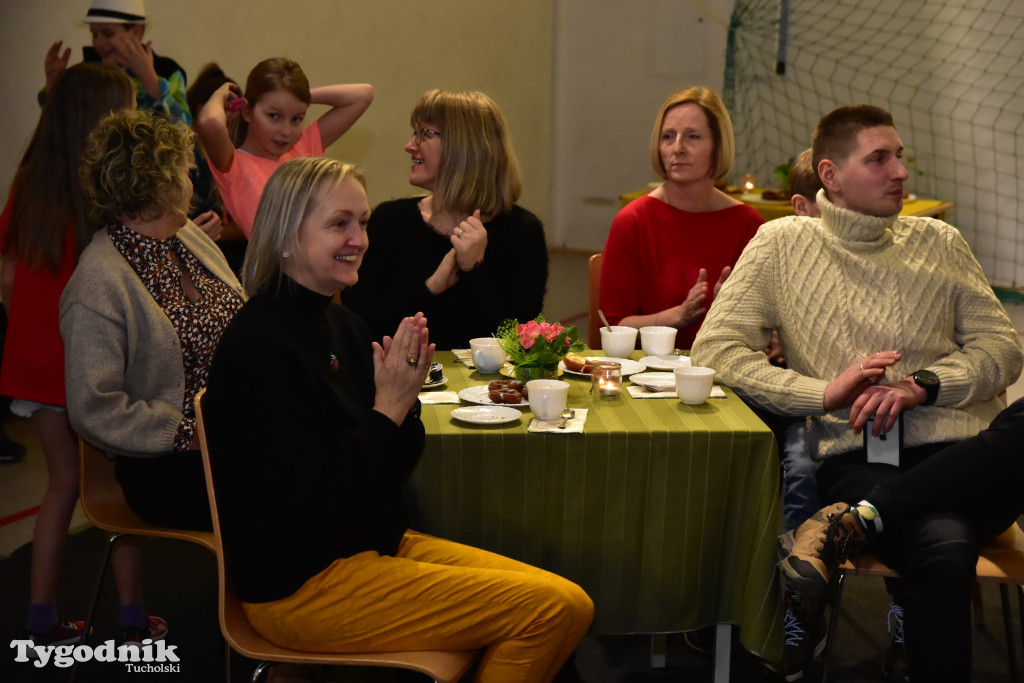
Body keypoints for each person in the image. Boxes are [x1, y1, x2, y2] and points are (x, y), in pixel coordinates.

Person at [204, 157, 593, 682]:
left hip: (368, 546)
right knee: (549, 612)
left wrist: (402, 404)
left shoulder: (339, 323)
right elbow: (312, 507)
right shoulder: (260, 345)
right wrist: (386, 411)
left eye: (361, 222)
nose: (359, 238)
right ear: (286, 236)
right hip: (301, 584)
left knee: (568, 603)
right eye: (338, 223)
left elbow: (390, 468)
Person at [691, 104, 1023, 682]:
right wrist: (822, 393)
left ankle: (853, 523)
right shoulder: (782, 243)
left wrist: (926, 386)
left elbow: (1003, 350)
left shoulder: (939, 240)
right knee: (943, 550)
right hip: (863, 457)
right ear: (830, 175)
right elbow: (715, 353)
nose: (900, 171)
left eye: (899, 156)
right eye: (879, 159)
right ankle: (868, 514)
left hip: (968, 459)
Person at [60, 108, 244, 647]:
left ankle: (310, 617)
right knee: (275, 492)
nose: (193, 181)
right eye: (185, 171)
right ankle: (273, 642)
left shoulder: (188, 237)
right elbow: (93, 409)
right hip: (163, 464)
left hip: (226, 442)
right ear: (158, 183)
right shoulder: (98, 282)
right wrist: (186, 432)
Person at [0, 62, 135, 649]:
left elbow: (8, 274)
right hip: (89, 363)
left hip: (32, 363)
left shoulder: (30, 181)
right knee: (119, 494)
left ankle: (40, 617)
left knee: (61, 488)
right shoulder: (104, 193)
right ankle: (134, 619)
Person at [342, 89, 548, 350]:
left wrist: (475, 268)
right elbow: (361, 327)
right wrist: (431, 287)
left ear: (464, 147)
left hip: (486, 390)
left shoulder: (521, 231)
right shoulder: (390, 221)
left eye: (424, 134)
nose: (409, 145)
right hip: (402, 384)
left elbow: (521, 344)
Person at [599, 86, 764, 351]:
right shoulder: (633, 220)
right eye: (668, 137)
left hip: (725, 372)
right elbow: (612, 326)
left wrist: (736, 313)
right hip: (647, 374)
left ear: (717, 145)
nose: (678, 148)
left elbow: (766, 328)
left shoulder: (748, 224)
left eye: (693, 137)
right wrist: (678, 316)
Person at [195, 57, 373, 238]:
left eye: (296, 118)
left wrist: (294, 96)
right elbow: (210, 122)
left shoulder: (302, 147)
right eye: (274, 116)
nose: (286, 131)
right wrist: (220, 94)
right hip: (277, 266)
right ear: (247, 111)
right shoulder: (233, 165)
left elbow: (363, 95)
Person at [42, 0, 190, 124]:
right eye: (94, 34)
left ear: (137, 32)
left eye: (108, 34)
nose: (98, 43)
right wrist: (54, 85)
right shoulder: (87, 75)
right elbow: (62, 130)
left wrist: (151, 81)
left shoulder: (168, 71)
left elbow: (184, 129)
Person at [186, 63, 246, 274]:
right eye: (229, 106)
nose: (236, 114)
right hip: (197, 254)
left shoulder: (243, 148)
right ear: (203, 110)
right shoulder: (188, 155)